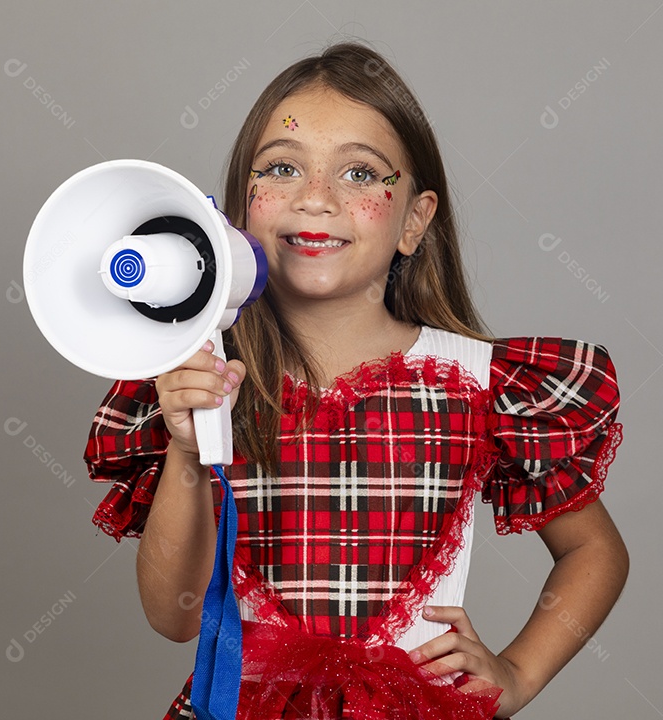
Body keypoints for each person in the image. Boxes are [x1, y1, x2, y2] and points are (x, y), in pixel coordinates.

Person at [84, 41, 628, 720]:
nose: (315, 199)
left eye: (361, 174)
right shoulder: (203, 381)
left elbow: (594, 552)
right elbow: (174, 616)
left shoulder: (479, 384)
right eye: (281, 168)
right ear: (237, 212)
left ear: (415, 221)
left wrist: (516, 673)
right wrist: (189, 453)